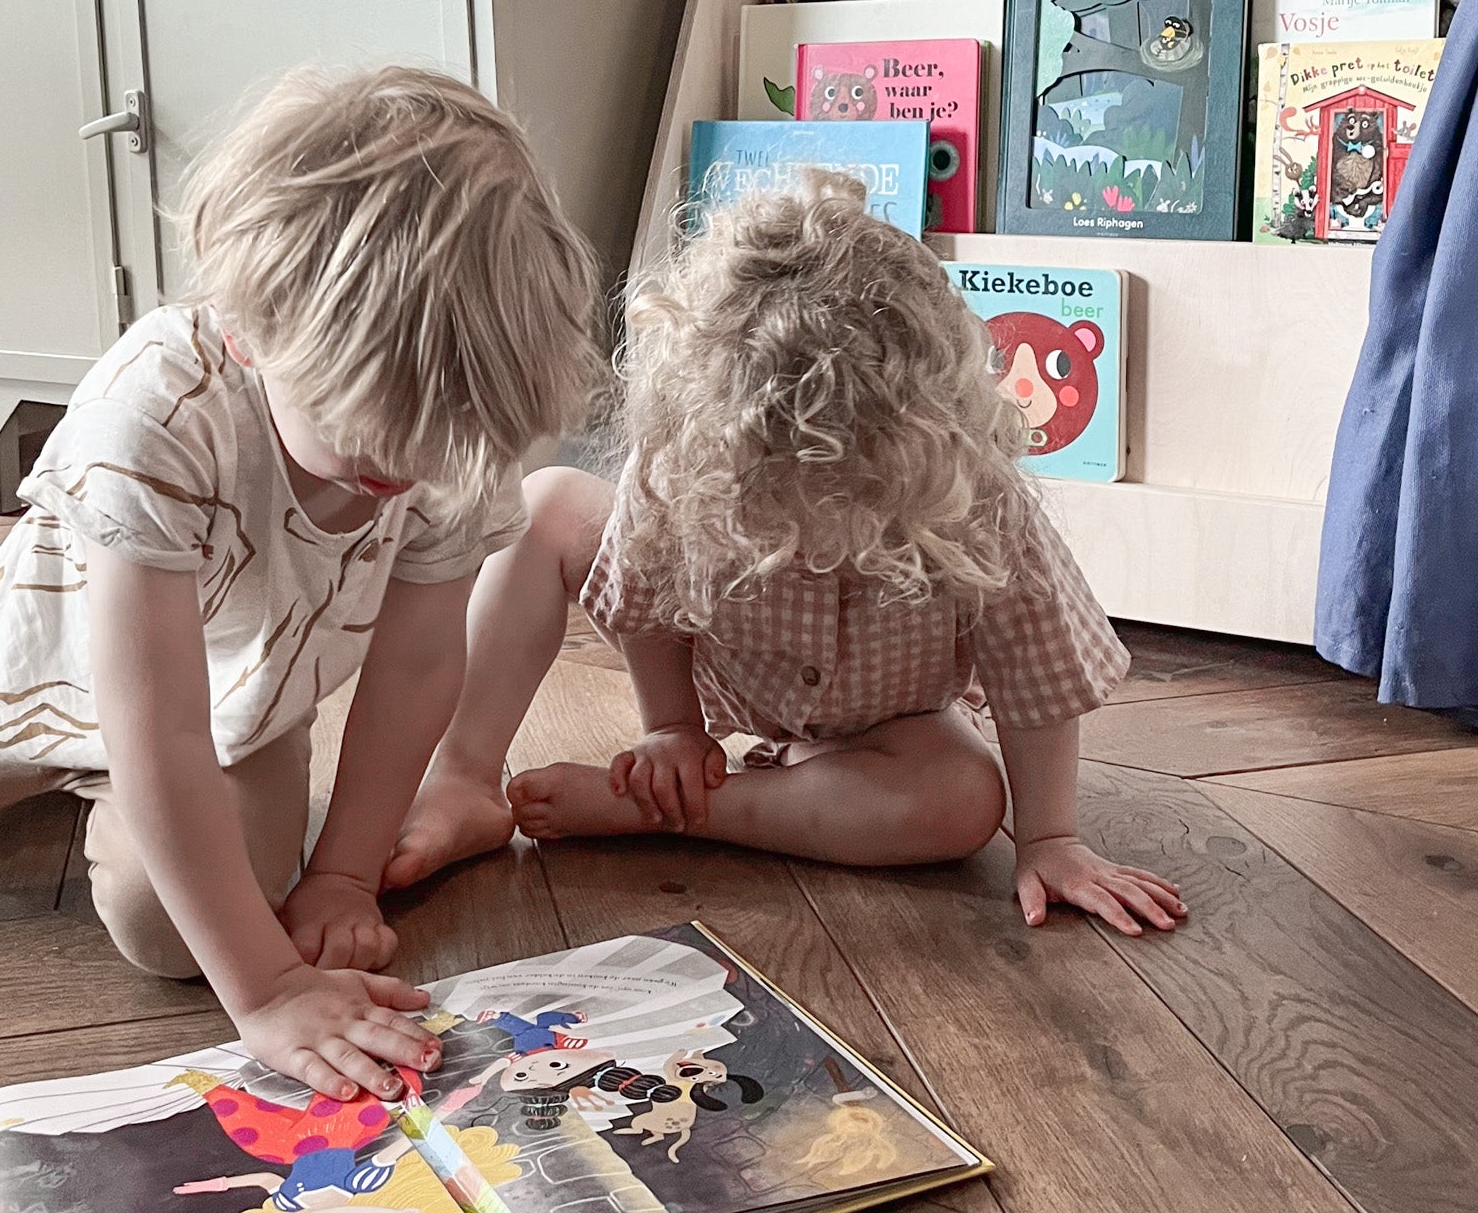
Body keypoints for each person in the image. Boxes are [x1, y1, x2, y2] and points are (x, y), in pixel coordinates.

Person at [0, 67, 601, 1094]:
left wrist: (344, 871)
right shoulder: (159, 406)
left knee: (170, 931)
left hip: (236, 708)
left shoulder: (448, 432)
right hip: (31, 669)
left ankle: (117, 813)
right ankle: (31, 783)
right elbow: (151, 718)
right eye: (362, 443)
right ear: (252, 332)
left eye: (427, 447)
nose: (399, 471)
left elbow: (419, 661)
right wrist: (265, 990)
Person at [393, 171, 1186, 938]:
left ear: (922, 444)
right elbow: (648, 588)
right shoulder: (686, 459)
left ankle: (689, 815)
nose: (805, 545)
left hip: (884, 726)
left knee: (963, 802)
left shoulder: (978, 500)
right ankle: (462, 778)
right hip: (726, 665)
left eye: (845, 505)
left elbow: (1036, 677)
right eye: (775, 507)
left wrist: (1047, 839)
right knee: (545, 505)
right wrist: (670, 726)